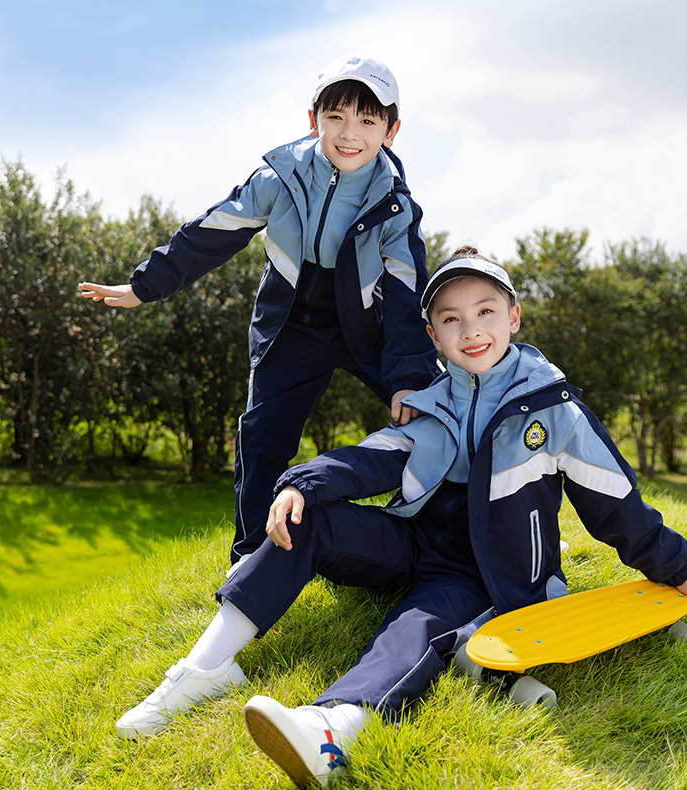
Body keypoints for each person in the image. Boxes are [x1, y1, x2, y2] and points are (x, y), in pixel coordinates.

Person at [113, 246, 687, 790]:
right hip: (414, 540)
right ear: (433, 335)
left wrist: (678, 569)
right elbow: (373, 458)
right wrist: (300, 483)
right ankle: (205, 668)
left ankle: (333, 730)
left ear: (513, 317)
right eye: (452, 319)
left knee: (416, 626)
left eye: (486, 311)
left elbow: (615, 502)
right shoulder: (431, 403)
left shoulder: (555, 410)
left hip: (482, 570)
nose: (472, 329)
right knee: (308, 517)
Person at [78, 55, 439, 565]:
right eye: (335, 116)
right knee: (261, 438)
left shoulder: (396, 205)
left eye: (367, 120)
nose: (349, 133)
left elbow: (406, 294)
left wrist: (408, 377)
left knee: (434, 410)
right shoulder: (280, 176)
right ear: (313, 119)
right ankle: (251, 561)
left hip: (366, 326)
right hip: (290, 322)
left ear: (391, 131)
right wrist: (144, 286)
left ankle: (450, 536)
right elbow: (213, 231)